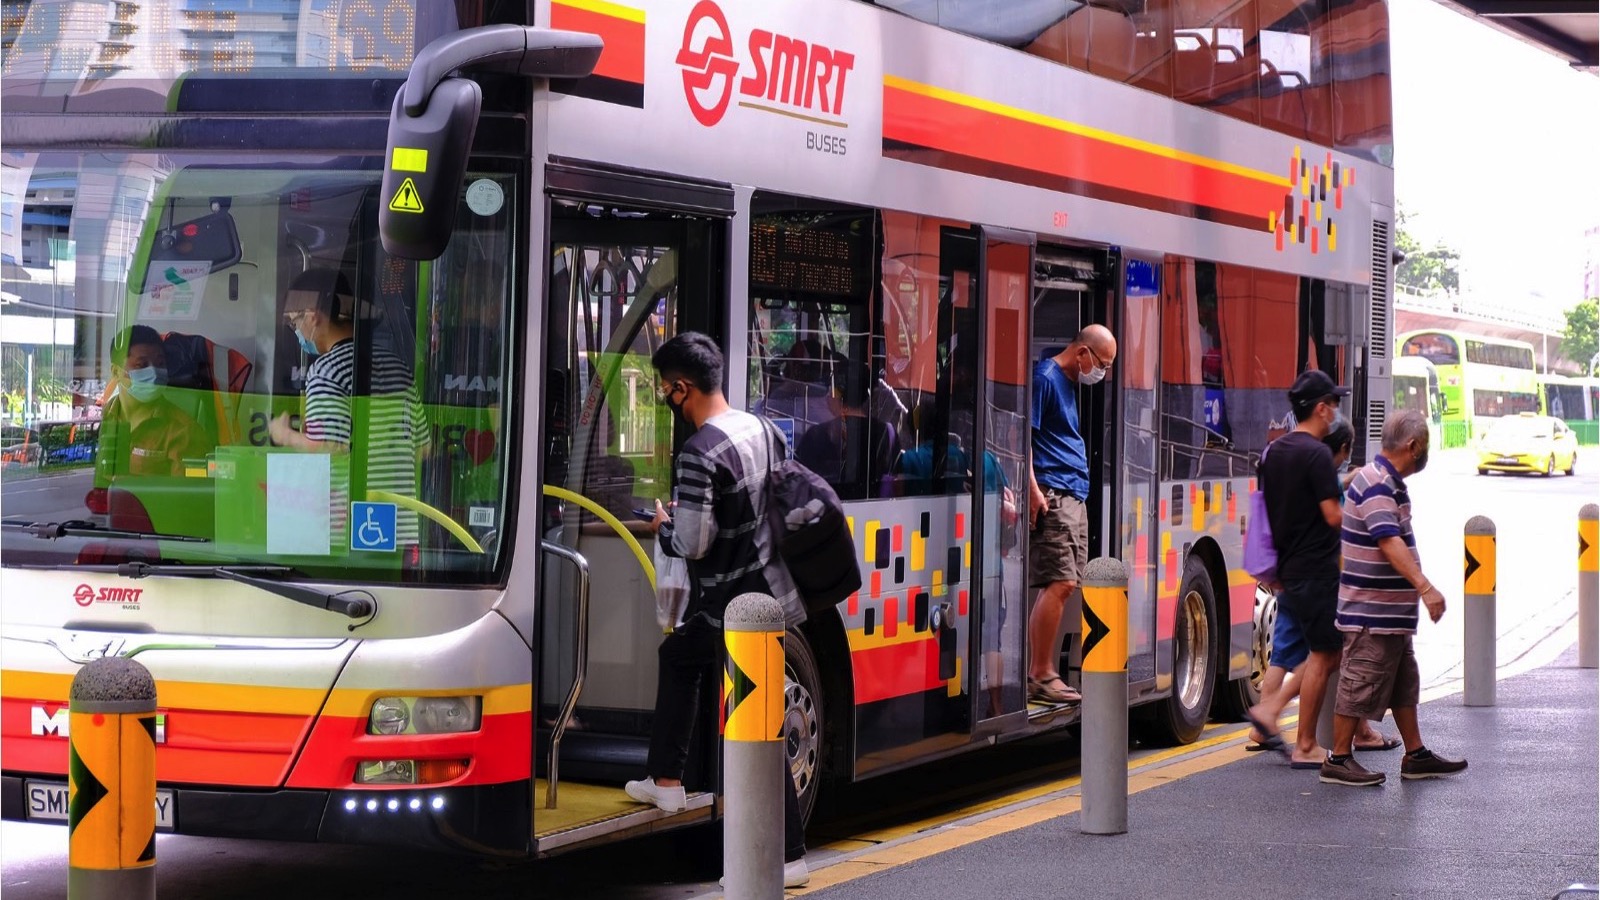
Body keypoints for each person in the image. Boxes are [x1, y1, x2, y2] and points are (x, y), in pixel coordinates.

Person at [622, 332, 810, 888]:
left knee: (737, 704)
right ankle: (670, 780)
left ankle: (783, 853)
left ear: (683, 389)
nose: (665, 402)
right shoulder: (763, 427)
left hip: (731, 602)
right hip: (772, 592)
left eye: (663, 393)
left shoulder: (699, 451)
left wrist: (664, 526)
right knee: (739, 698)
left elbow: (696, 541)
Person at [1322, 410, 1468, 786]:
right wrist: (1425, 587)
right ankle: (1338, 758)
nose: (1425, 453)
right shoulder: (1376, 483)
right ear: (1413, 446)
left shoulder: (1386, 481)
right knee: (1359, 682)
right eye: (1426, 447)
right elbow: (1388, 541)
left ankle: (1415, 753)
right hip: (1370, 614)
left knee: (1404, 682)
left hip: (1389, 617)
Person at [1247, 418, 1399, 754]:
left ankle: (1263, 726)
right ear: (1342, 449)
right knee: (1331, 652)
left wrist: (1345, 478)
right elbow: (1337, 522)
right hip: (1317, 577)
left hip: (1286, 574)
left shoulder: (1294, 463)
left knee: (1283, 655)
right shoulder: (1323, 479)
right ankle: (1305, 732)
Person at [267, 268, 430, 546]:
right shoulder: (399, 367)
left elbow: (331, 450)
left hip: (351, 530)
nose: (296, 332)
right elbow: (423, 450)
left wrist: (285, 436)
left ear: (313, 316)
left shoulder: (326, 372)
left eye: (294, 322)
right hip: (400, 527)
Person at [1244, 369, 1347, 768]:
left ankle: (1277, 715)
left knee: (1314, 651)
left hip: (1287, 568)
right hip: (1317, 568)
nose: (1334, 413)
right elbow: (1332, 515)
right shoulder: (1317, 454)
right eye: (1333, 406)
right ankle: (1301, 739)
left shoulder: (1275, 452)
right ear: (1320, 409)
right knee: (1326, 652)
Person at [1026, 324, 1117, 705]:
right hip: (1054, 493)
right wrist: (1032, 489)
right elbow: (1023, 436)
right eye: (1101, 363)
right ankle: (1040, 673)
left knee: (1068, 584)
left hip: (1073, 494)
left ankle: (1046, 670)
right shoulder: (1045, 378)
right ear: (1082, 353)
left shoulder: (1067, 383)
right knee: (1060, 582)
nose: (1102, 373)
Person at [96, 325, 212, 478]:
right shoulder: (108, 415)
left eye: (160, 363)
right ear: (116, 372)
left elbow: (185, 496)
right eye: (142, 365)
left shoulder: (184, 431)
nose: (155, 372)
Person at [795, 352, 898, 500]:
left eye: (830, 388)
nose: (828, 396)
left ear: (836, 395)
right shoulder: (888, 434)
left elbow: (800, 488)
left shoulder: (815, 437)